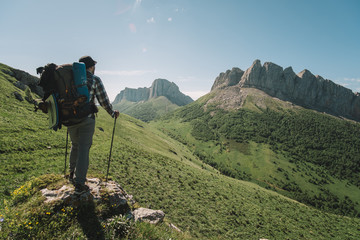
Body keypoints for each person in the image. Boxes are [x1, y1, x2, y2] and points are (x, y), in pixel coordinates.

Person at [68, 56, 119, 195]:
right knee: (84, 149)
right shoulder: (95, 80)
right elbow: (103, 100)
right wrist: (112, 113)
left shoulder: (70, 78)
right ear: (90, 67)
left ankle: (71, 174)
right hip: (87, 118)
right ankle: (79, 183)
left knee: (75, 145)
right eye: (94, 66)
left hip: (70, 118)